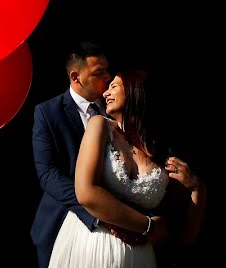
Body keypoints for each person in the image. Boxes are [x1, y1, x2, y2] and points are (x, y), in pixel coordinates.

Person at [48, 68, 207, 268]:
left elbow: (185, 237)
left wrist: (197, 188)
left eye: (113, 86)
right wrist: (148, 226)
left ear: (135, 90)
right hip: (91, 244)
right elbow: (86, 192)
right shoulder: (100, 126)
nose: (105, 93)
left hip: (137, 258)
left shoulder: (163, 154)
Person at [31, 41, 113, 268]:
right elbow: (48, 174)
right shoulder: (47, 113)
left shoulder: (117, 106)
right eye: (99, 72)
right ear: (76, 77)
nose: (108, 77)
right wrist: (99, 210)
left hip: (120, 229)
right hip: (61, 221)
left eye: (108, 69)